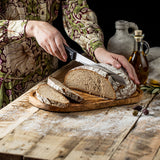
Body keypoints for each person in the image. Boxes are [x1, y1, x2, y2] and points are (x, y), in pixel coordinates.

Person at [0, 0, 139, 108]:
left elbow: (76, 14)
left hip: (47, 79)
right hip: (6, 84)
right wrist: (30, 27)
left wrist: (98, 49)